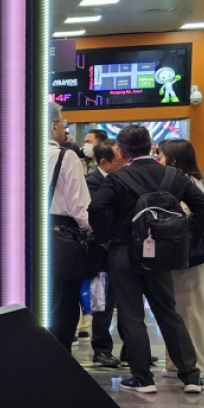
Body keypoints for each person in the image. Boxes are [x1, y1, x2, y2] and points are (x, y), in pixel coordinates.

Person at [88, 124, 204, 393]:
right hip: (162, 254)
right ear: (150, 145)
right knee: (168, 312)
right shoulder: (173, 176)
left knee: (131, 314)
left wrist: (104, 238)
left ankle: (142, 378)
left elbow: (96, 207)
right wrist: (184, 241)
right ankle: (190, 376)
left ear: (121, 150)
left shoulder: (117, 179)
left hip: (123, 251)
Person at [159, 138, 204, 376]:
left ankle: (193, 365)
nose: (158, 160)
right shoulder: (184, 181)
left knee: (191, 311)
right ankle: (179, 362)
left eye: (162, 156)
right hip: (192, 255)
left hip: (194, 256)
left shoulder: (189, 183)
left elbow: (190, 216)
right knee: (184, 310)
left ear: (173, 159)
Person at [46, 103, 92, 352]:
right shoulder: (66, 156)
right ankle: (58, 355)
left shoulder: (17, 154)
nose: (66, 128)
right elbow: (79, 205)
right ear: (54, 126)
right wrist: (93, 233)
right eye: (64, 123)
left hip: (22, 232)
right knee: (62, 299)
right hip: (61, 233)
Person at [85, 139, 121, 367]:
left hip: (119, 249)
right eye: (120, 160)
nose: (124, 163)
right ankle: (101, 349)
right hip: (100, 252)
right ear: (105, 162)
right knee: (102, 303)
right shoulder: (93, 182)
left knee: (124, 300)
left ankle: (132, 349)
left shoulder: (119, 179)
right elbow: (96, 214)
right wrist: (105, 238)